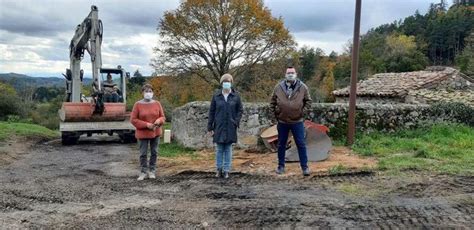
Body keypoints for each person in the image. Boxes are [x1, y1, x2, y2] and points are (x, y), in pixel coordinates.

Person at [270, 67, 312, 176]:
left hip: (297, 121)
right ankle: (281, 166)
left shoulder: (303, 87)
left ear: (296, 74)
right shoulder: (278, 87)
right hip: (282, 121)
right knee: (281, 144)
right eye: (288, 73)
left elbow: (308, 101)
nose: (290, 74)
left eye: (292, 73)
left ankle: (305, 167)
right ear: (285, 74)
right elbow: (272, 103)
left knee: (301, 144)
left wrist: (302, 113)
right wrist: (275, 118)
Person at [207, 73, 243, 179]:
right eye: (224, 82)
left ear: (231, 83)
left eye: (228, 82)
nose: (226, 84)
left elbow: (240, 110)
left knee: (228, 148)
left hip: (231, 126)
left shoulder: (236, 96)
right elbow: (212, 111)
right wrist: (210, 127)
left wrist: (236, 121)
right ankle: (218, 169)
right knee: (219, 149)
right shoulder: (216, 96)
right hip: (219, 125)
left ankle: (226, 170)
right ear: (221, 83)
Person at [130, 83, 166, 181]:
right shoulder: (137, 104)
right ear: (142, 93)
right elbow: (133, 119)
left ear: (153, 92)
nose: (148, 93)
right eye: (146, 91)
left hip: (155, 132)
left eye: (150, 91)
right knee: (143, 153)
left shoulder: (157, 103)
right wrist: (146, 125)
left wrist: (159, 121)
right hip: (143, 133)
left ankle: (152, 171)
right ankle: (143, 172)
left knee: (154, 152)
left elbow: (163, 116)